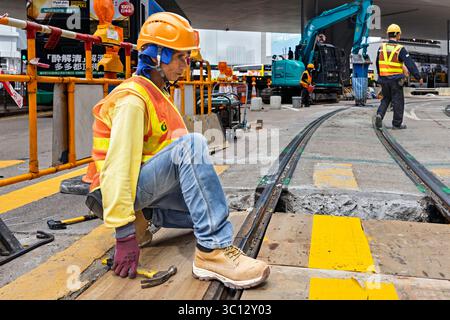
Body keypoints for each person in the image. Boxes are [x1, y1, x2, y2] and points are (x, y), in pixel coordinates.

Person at [85, 12, 270, 289]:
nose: (187, 64)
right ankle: (212, 252)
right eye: (181, 57)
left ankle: (146, 217)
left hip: (143, 192)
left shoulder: (158, 94)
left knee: (213, 208)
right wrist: (123, 235)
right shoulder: (132, 100)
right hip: (113, 192)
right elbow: (118, 169)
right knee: (192, 144)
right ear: (157, 56)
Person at [375, 24, 423, 129]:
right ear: (397, 35)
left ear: (388, 34)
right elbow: (410, 64)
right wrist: (418, 77)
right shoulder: (400, 49)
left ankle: (379, 114)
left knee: (386, 99)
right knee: (398, 101)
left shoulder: (381, 48)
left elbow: (377, 63)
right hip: (396, 80)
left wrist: (380, 77)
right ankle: (396, 124)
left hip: (384, 79)